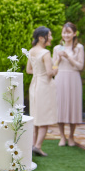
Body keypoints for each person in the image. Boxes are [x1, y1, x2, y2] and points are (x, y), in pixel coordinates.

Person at [26, 26, 58, 157]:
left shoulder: (31, 51)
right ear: (41, 38)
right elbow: (50, 73)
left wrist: (39, 72)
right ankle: (38, 146)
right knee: (44, 117)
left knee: (36, 116)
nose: (51, 38)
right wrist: (56, 67)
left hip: (34, 84)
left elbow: (28, 70)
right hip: (44, 85)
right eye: (49, 35)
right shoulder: (45, 53)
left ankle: (33, 145)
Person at [53, 22, 84, 147]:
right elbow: (53, 66)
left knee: (73, 107)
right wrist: (59, 58)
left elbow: (80, 66)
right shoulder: (57, 48)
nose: (66, 35)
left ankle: (71, 135)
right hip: (60, 78)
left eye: (69, 32)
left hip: (74, 78)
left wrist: (68, 57)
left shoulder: (79, 48)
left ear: (74, 33)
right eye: (64, 32)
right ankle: (62, 136)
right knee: (60, 106)